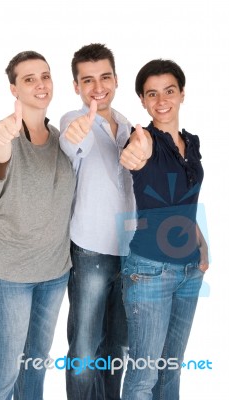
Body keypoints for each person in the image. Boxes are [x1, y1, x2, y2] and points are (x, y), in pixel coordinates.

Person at [0, 50, 76, 400]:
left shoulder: (62, 140)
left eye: (45, 76)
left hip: (54, 272)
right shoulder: (5, 133)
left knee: (34, 367)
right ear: (14, 89)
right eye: (28, 79)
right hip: (8, 274)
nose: (40, 84)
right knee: (3, 370)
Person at [119, 59, 209, 400]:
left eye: (169, 91)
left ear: (182, 94)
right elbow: (133, 157)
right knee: (144, 376)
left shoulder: (192, 145)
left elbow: (185, 201)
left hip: (189, 270)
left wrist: (202, 244)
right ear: (142, 100)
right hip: (150, 271)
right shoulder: (143, 140)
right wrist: (133, 154)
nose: (161, 100)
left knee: (171, 368)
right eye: (151, 93)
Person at [59, 43, 136, 400]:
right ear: (76, 86)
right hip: (90, 251)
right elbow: (73, 141)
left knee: (117, 349)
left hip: (130, 253)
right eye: (87, 80)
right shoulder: (73, 122)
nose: (97, 86)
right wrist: (77, 133)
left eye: (104, 77)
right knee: (86, 350)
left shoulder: (129, 127)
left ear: (116, 79)